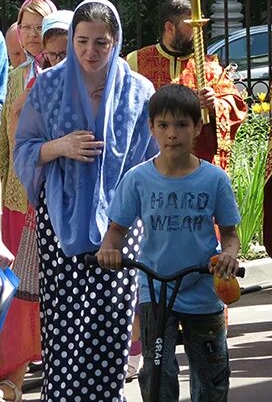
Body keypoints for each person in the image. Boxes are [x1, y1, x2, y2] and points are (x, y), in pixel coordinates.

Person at [13, 0, 158, 400]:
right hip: (59, 225)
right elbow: (24, 148)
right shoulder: (49, 86)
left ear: (116, 43)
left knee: (110, 326)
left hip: (120, 228)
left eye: (101, 43)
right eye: (81, 41)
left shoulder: (138, 91)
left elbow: (151, 164)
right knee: (63, 332)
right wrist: (60, 145)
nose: (89, 52)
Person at [97, 84, 241, 402]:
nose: (172, 134)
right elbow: (116, 229)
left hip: (203, 288)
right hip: (155, 290)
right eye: (163, 125)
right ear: (152, 128)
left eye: (181, 125)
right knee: (158, 375)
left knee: (212, 377)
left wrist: (229, 256)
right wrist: (109, 249)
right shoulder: (137, 179)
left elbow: (230, 234)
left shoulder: (214, 179)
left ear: (197, 127)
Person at [0, 9, 68, 401]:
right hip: (25, 199)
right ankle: (16, 370)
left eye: (36, 27)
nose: (31, 35)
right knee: (25, 287)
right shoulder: (19, 81)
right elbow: (11, 139)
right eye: (24, 27)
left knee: (60, 294)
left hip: (66, 207)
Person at [126, 0, 246, 171]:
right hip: (149, 163)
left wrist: (215, 104)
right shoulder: (136, 61)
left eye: (201, 26)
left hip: (196, 164)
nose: (199, 33)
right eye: (192, 26)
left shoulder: (209, 66)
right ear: (169, 28)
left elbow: (235, 103)